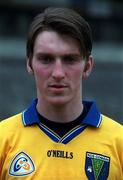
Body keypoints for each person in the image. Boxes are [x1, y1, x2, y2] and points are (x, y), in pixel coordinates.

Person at [0, 7, 123, 180]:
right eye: (46, 59)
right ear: (29, 64)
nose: (58, 73)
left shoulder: (119, 142)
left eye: (69, 59)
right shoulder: (3, 139)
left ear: (87, 66)